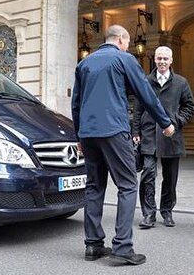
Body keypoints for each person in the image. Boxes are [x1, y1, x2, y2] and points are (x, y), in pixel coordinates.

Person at [71, 25, 175, 265]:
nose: (128, 47)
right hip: (114, 130)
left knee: (94, 186)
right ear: (120, 39)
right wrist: (165, 122)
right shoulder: (123, 58)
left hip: (88, 133)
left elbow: (76, 103)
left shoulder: (83, 64)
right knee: (127, 185)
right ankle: (123, 247)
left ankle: (93, 245)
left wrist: (78, 136)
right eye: (127, 43)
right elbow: (146, 93)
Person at [132, 46, 194, 229]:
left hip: (171, 135)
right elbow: (137, 110)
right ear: (155, 59)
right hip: (148, 134)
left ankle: (167, 211)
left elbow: (190, 107)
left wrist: (176, 122)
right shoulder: (144, 81)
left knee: (170, 177)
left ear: (171, 61)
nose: (161, 62)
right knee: (148, 175)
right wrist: (135, 133)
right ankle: (148, 214)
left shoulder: (181, 83)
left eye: (165, 59)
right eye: (159, 58)